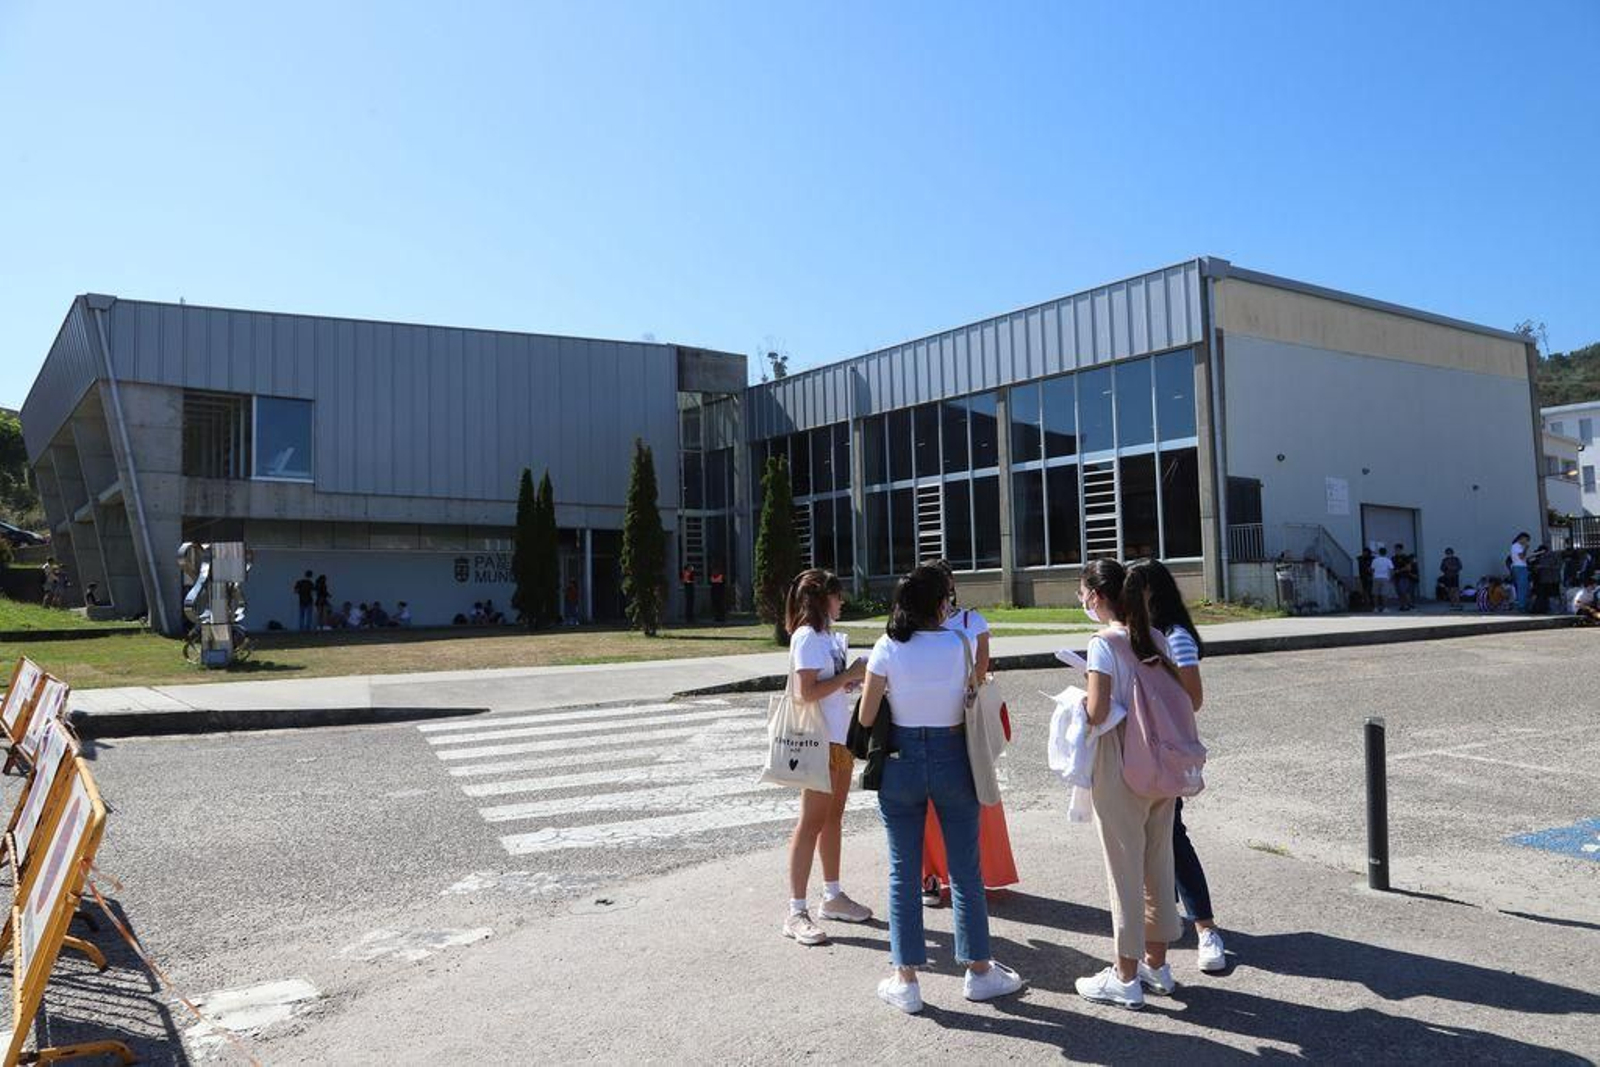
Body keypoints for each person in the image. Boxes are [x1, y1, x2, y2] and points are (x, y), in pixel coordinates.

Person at [858, 564, 1025, 1013]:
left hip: (902, 761)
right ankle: (979, 971)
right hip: (955, 754)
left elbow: (866, 716)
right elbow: (972, 692)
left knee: (903, 870)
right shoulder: (959, 643)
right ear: (940, 604)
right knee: (965, 870)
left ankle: (906, 979)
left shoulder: (886, 646)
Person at [1072, 559, 1184, 1010]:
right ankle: (1157, 965)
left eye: (1083, 594)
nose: (1082, 601)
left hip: (1121, 763)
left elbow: (1097, 713)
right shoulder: (1155, 637)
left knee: (1124, 870)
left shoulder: (1104, 644)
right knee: (1159, 864)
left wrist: (1078, 704)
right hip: (1163, 765)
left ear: (1096, 597)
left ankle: (1125, 975)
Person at [1132, 559, 1227, 974]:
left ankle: (1207, 928)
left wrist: (1159, 666)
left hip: (1168, 752)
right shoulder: (1146, 635)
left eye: (1134, 591)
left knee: (1172, 838)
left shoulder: (1176, 637)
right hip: (1147, 750)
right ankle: (1167, 924)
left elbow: (1193, 698)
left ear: (1151, 593)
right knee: (1157, 841)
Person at [781, 569, 871, 948]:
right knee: (811, 822)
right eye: (836, 596)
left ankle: (832, 895)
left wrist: (849, 680)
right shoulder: (806, 637)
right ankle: (796, 910)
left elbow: (826, 686)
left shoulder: (826, 637)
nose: (841, 602)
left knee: (833, 818)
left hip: (837, 739)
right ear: (821, 599)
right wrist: (849, 675)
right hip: (816, 741)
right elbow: (806, 692)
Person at [921, 560, 1018, 908]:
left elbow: (982, 667)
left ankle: (976, 871)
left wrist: (963, 691)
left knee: (975, 791)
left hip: (967, 715)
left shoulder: (971, 620)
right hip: (930, 719)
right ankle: (930, 873)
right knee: (929, 798)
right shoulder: (914, 624)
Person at [1533, 544, 1563, 614]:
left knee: (1554, 595)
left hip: (1552, 579)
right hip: (1545, 580)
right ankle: (1549, 609)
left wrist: (1543, 566)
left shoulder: (1554, 556)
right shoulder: (1540, 557)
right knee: (1547, 595)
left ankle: (1555, 609)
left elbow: (1558, 566)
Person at [1509, 532, 1532, 611]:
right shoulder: (1516, 546)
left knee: (1524, 587)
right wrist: (1526, 548)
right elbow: (1521, 557)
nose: (1527, 542)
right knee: (1522, 587)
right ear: (1522, 538)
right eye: (1526, 540)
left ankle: (1523, 604)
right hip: (1520, 567)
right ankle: (1522, 606)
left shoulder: (1518, 546)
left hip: (1520, 567)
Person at [1391, 544, 1417, 611]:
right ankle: (1403, 606)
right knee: (1399, 592)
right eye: (1395, 549)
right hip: (1396, 577)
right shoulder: (1393, 558)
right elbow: (1392, 568)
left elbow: (1409, 568)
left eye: (1398, 549)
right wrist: (1392, 575)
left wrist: (1399, 570)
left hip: (1404, 577)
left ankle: (1410, 605)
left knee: (1404, 592)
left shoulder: (1405, 557)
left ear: (1401, 549)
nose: (1396, 550)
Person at [1370, 547, 1394, 612]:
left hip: (1376, 577)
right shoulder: (1388, 560)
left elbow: (1372, 570)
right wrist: (1391, 578)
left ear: (1379, 552)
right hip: (1385, 578)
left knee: (1375, 594)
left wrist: (1373, 576)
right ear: (1385, 552)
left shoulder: (1375, 560)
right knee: (1384, 594)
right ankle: (1385, 608)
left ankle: (1376, 608)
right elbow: (1391, 570)